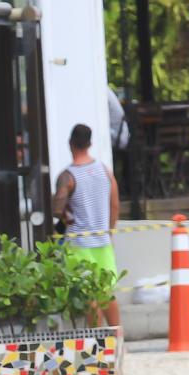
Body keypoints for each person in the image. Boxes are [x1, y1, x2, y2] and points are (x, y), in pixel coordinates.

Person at [52, 124, 121, 328]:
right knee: (106, 292)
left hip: (79, 244)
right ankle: (118, 338)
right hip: (103, 241)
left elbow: (57, 209)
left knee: (88, 294)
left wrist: (64, 216)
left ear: (70, 143)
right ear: (90, 144)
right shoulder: (105, 171)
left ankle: (97, 340)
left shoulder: (68, 176)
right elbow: (115, 205)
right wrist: (108, 232)